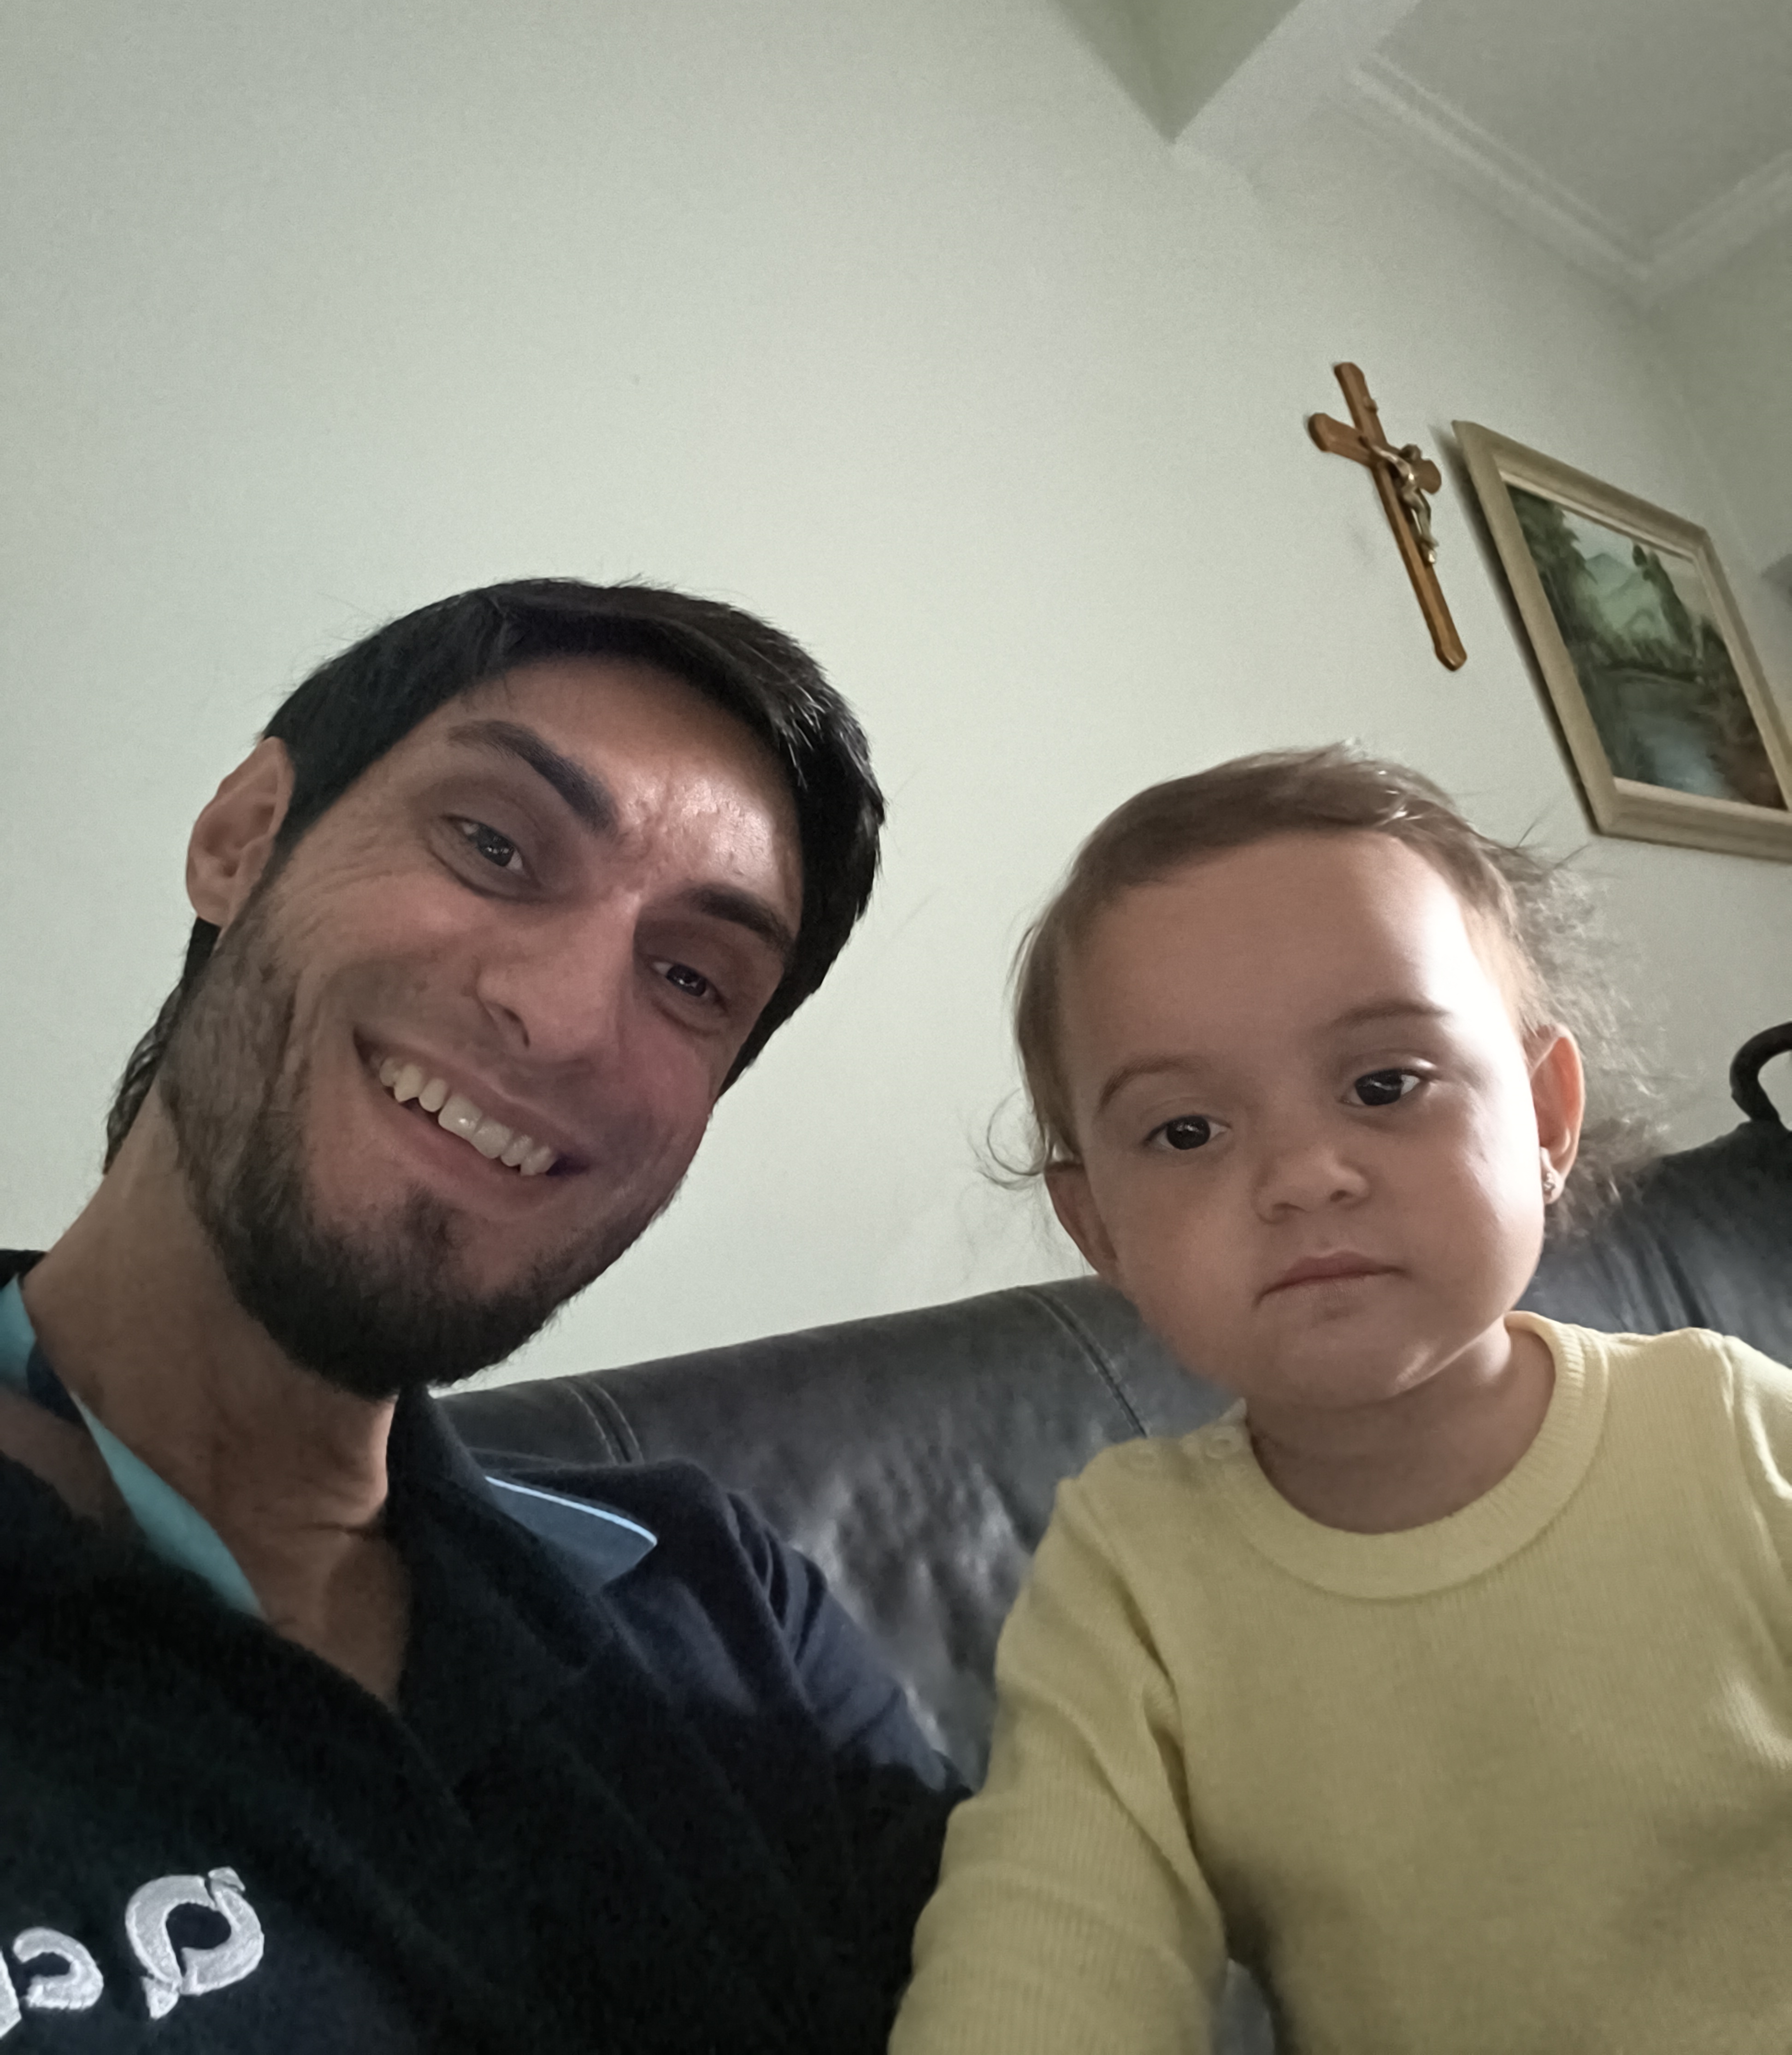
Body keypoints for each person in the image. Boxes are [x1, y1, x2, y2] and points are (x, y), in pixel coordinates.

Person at [1, 578, 956, 2054]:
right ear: (243, 837)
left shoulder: (723, 1603)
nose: (566, 1020)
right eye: (495, 845)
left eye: (692, 979)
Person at [893, 747, 1792, 2055]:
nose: (1305, 1175)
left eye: (1385, 1085)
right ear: (1100, 1231)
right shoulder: (1133, 1573)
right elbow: (1047, 1951)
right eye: (1187, 1132)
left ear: (1546, 1119)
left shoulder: (1727, 1430)